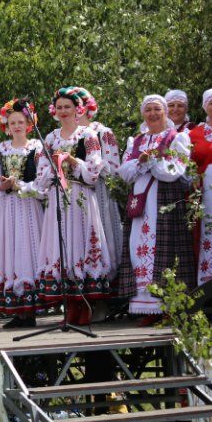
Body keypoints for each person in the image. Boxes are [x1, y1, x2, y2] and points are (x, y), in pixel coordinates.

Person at [36, 87, 111, 325]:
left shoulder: (87, 136)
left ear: (78, 109)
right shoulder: (50, 138)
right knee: (61, 246)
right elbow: (41, 174)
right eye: (59, 107)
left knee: (81, 244)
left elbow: (93, 171)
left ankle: (85, 303)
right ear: (54, 111)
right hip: (58, 196)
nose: (63, 111)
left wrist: (71, 160)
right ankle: (69, 304)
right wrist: (53, 170)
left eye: (67, 107)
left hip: (79, 195)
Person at [115, 95, 194, 318]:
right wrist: (142, 161)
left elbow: (175, 170)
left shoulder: (177, 137)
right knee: (138, 248)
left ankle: (168, 305)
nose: (152, 114)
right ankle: (145, 306)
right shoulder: (136, 141)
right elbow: (125, 172)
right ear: (143, 114)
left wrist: (151, 162)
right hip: (140, 199)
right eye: (148, 109)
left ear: (165, 112)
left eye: (157, 109)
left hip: (165, 199)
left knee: (166, 247)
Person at [0, 99, 46, 328]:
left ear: (30, 124)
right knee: (11, 251)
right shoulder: (1, 150)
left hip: (29, 206)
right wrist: (3, 186)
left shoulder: (37, 148)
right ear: (6, 126)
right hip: (8, 209)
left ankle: (31, 308)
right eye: (12, 122)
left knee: (30, 250)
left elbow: (44, 183)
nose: (17, 126)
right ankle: (19, 311)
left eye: (21, 122)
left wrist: (19, 185)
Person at [75, 87, 122, 283]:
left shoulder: (102, 132)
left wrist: (91, 168)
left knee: (103, 235)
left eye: (79, 105)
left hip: (99, 191)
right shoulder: (68, 134)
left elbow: (114, 167)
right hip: (76, 194)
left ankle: (106, 285)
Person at [188, 88, 212, 285]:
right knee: (208, 233)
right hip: (206, 195)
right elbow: (186, 165)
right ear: (204, 107)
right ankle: (210, 286)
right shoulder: (194, 134)